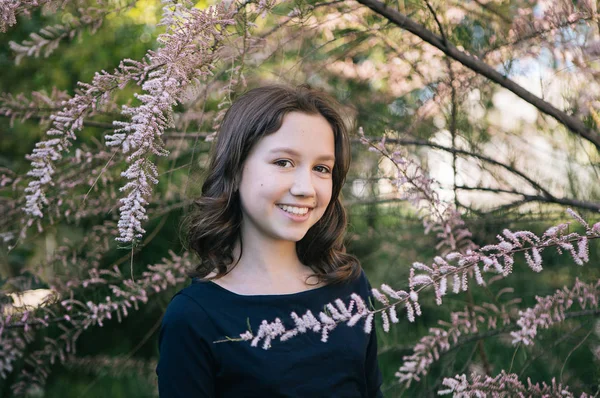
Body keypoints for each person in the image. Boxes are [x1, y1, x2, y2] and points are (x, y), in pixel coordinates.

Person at [156, 84, 384, 397]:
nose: (305, 188)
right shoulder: (194, 318)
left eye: (321, 168)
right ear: (235, 170)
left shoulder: (350, 287)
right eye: (283, 162)